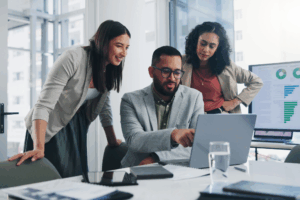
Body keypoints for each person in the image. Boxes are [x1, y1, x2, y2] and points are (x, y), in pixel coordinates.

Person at [8, 20, 131, 178]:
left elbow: (103, 105)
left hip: (76, 126)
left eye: (127, 48)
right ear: (103, 42)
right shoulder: (74, 57)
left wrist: (112, 141)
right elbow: (43, 105)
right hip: (49, 126)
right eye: (119, 45)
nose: (124, 53)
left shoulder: (108, 68)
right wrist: (38, 147)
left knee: (76, 179)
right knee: (55, 180)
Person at [120, 46, 204, 167]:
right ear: (151, 72)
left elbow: (198, 144)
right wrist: (173, 135)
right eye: (165, 71)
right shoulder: (130, 100)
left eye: (177, 72)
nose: (172, 78)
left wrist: (156, 157)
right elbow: (134, 140)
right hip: (137, 167)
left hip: (179, 169)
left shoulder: (194, 97)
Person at [182, 21, 263, 114]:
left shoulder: (227, 66)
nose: (206, 50)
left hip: (221, 117)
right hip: (191, 120)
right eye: (203, 44)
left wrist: (234, 102)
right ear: (195, 42)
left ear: (218, 48)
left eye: (212, 46)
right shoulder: (181, 62)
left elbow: (257, 82)